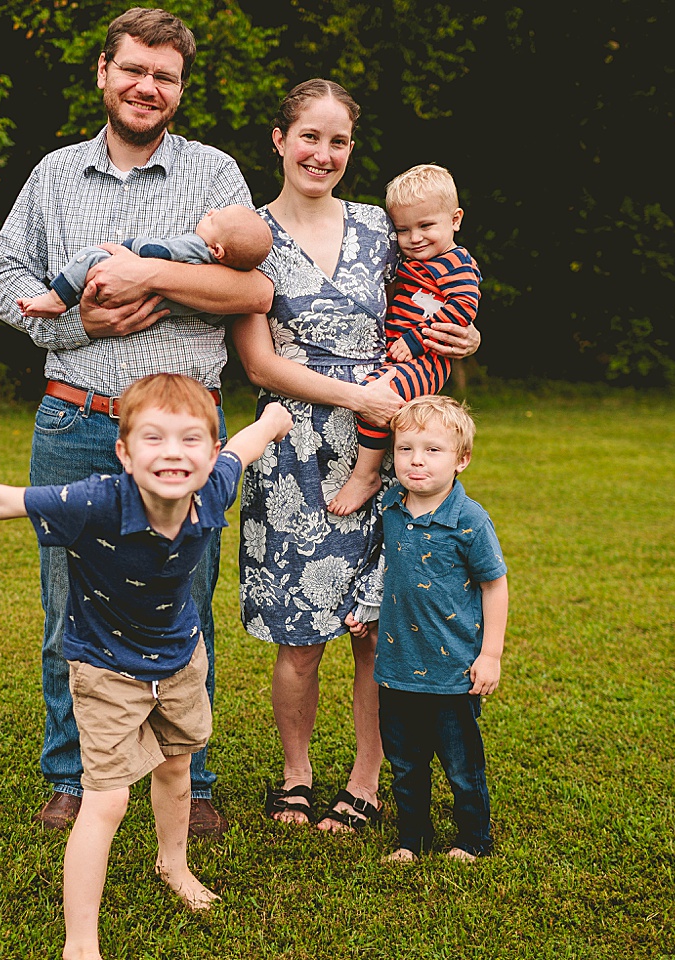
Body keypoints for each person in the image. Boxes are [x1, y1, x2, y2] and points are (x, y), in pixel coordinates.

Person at [0, 374, 294, 959]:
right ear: (124, 452)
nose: (172, 452)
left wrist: (274, 419)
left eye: (191, 440)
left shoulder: (214, 488)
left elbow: (249, 443)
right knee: (106, 801)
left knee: (177, 770)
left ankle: (174, 866)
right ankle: (80, 943)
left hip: (181, 660)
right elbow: (1, 499)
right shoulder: (97, 501)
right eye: (153, 438)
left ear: (210, 454)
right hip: (106, 669)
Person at [0, 7, 274, 835]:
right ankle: (74, 772)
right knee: (66, 607)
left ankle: (193, 778)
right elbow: (7, 278)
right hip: (75, 422)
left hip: (184, 438)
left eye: (166, 76)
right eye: (135, 70)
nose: (149, 86)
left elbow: (253, 290)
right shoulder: (53, 175)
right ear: (104, 74)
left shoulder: (215, 176)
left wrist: (149, 271)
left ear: (180, 89)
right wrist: (81, 324)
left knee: (183, 604)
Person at [230, 79, 480, 833]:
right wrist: (354, 400)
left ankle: (366, 779)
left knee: (375, 628)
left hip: (389, 443)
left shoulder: (381, 226)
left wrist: (466, 336)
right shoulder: (251, 235)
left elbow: (437, 300)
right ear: (279, 140)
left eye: (337, 141)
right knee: (300, 637)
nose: (323, 154)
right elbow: (258, 364)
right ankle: (295, 775)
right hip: (295, 446)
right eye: (309, 136)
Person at [346, 395, 508, 863]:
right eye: (405, 449)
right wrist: (367, 613)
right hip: (396, 666)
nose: (416, 460)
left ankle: (473, 839)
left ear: (462, 459)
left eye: (432, 450)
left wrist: (490, 654)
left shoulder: (469, 521)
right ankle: (410, 840)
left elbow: (495, 587)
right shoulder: (392, 506)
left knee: (461, 765)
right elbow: (387, 569)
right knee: (406, 763)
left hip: (453, 670)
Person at [326, 163, 482, 516]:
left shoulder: (456, 264)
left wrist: (414, 341)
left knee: (374, 395)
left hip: (428, 358)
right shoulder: (414, 260)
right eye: (403, 230)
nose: (414, 238)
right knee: (388, 407)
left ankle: (366, 475)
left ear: (455, 220)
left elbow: (462, 308)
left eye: (426, 226)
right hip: (406, 355)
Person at [17, 205, 273, 319]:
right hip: (152, 308)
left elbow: (160, 250)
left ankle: (57, 298)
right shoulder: (218, 281)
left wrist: (129, 249)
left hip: (118, 283)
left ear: (217, 250)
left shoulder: (196, 246)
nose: (210, 213)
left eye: (214, 220)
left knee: (92, 257)